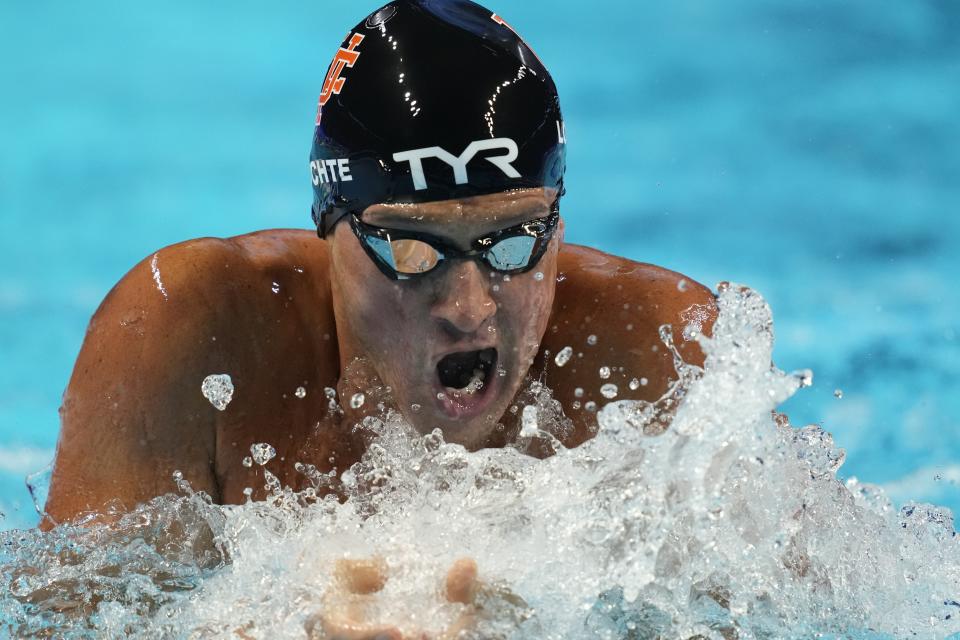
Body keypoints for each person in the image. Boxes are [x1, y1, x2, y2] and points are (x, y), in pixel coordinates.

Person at [43, 0, 716, 636]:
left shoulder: (660, 350)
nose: (469, 308)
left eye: (514, 242)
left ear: (558, 225)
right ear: (329, 229)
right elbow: (64, 622)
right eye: (412, 249)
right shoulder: (194, 332)